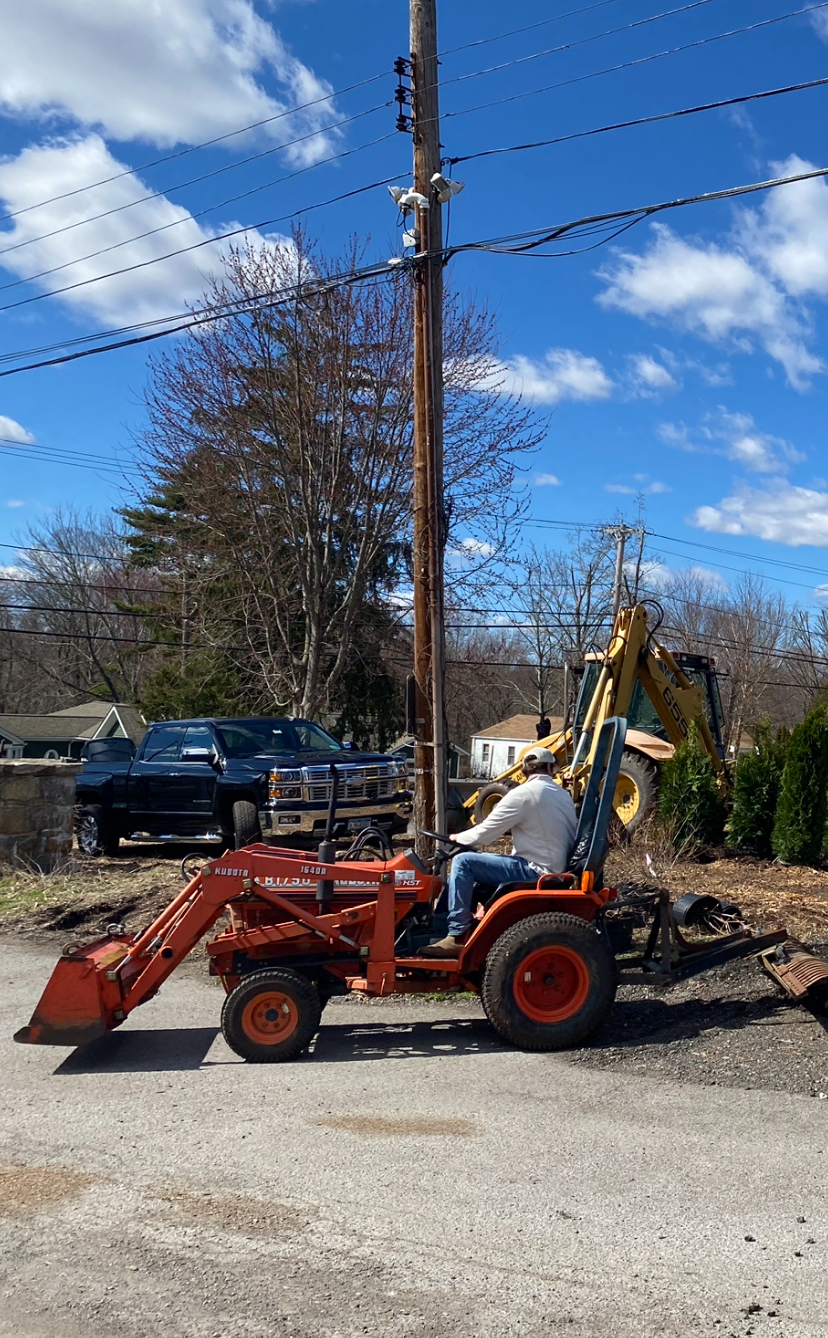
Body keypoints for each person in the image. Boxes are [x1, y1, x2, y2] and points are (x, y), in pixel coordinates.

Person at [420, 747, 578, 958]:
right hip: (551, 865)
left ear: (523, 771)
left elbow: (485, 833)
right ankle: (438, 926)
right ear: (551, 768)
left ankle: (456, 935)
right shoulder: (562, 794)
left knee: (463, 862)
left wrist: (457, 838)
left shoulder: (525, 794)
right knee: (473, 864)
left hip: (536, 869)